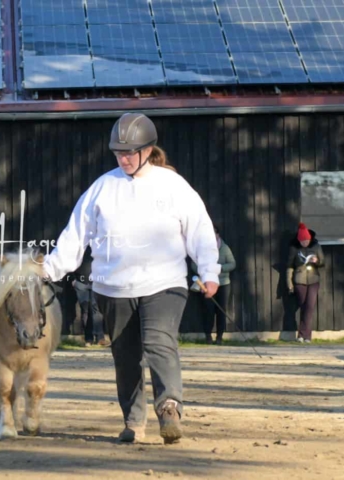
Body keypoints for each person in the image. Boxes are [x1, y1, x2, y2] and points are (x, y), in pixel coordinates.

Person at [43, 113, 220, 445]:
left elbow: (200, 230)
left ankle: (169, 408)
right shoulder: (102, 188)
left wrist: (209, 271)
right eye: (118, 153)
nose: (123, 159)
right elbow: (75, 236)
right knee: (125, 356)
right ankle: (133, 422)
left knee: (158, 342)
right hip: (112, 287)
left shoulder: (173, 186)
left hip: (165, 283)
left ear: (148, 149)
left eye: (130, 152)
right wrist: (49, 269)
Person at [191, 226, 236, 345]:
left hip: (223, 284)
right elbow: (193, 265)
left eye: (214, 234)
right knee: (208, 310)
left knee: (222, 310)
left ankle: (220, 337)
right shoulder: (200, 248)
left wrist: (219, 269)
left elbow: (232, 264)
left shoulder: (225, 248)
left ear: (218, 235)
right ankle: (208, 336)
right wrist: (206, 272)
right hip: (206, 284)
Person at [286, 223, 324, 343]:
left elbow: (323, 262)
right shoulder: (294, 248)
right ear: (299, 240)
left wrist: (317, 261)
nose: (305, 243)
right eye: (303, 241)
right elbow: (290, 265)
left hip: (313, 279)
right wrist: (289, 283)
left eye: (307, 240)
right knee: (303, 306)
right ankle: (303, 335)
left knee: (309, 307)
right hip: (300, 279)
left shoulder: (316, 246)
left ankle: (305, 336)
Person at [70, 247, 107, 347]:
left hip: (96, 282)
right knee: (85, 311)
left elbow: (104, 263)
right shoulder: (78, 248)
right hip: (81, 282)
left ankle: (100, 338)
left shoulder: (100, 247)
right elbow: (71, 263)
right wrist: (73, 279)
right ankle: (88, 339)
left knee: (97, 310)